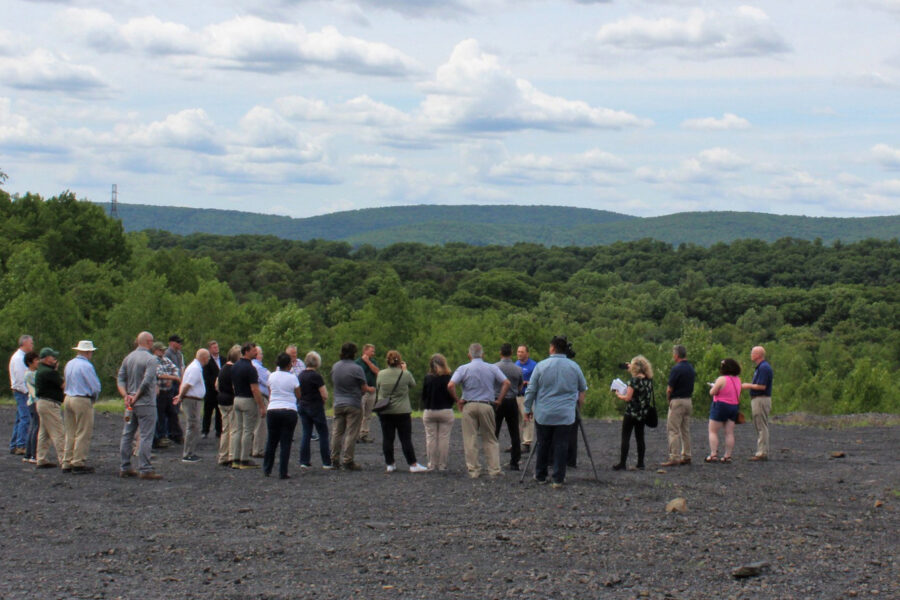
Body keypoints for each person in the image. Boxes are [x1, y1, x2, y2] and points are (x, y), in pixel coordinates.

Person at [523, 336, 587, 488]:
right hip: (565, 413)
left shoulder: (541, 366)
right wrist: (578, 405)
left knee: (543, 443)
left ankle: (540, 475)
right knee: (561, 445)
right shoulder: (574, 367)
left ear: (552, 348)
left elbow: (531, 389)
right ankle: (558, 478)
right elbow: (582, 388)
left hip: (544, 412)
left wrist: (527, 408)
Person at [449, 343, 510, 479]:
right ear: (482, 354)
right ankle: (494, 469)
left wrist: (458, 400)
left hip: (469, 405)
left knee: (470, 438)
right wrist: (499, 399)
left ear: (469, 355)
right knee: (490, 438)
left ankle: (474, 470)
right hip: (486, 404)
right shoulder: (492, 367)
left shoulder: (463, 368)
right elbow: (506, 383)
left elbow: (451, 384)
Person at [117, 331, 162, 480]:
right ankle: (145, 468)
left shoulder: (128, 358)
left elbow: (121, 378)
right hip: (146, 402)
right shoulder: (151, 359)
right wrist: (136, 396)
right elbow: (147, 380)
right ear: (149, 342)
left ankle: (125, 466)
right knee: (145, 435)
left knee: (127, 433)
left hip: (130, 403)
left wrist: (126, 395)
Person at [376, 350, 427, 474]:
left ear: (387, 361)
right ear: (400, 361)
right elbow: (413, 384)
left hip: (385, 410)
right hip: (402, 410)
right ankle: (413, 464)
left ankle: (390, 464)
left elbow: (378, 387)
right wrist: (404, 370)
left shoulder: (381, 374)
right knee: (405, 438)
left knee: (387, 438)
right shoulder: (405, 374)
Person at [330, 342, 372, 470]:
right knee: (351, 432)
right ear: (354, 353)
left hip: (338, 403)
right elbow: (363, 387)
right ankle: (348, 460)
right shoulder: (357, 368)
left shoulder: (335, 366)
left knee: (337, 432)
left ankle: (334, 459)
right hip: (353, 403)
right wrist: (369, 389)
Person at [62, 341, 102, 473]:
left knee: (70, 431)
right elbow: (95, 386)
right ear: (88, 352)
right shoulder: (86, 366)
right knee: (83, 431)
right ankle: (78, 462)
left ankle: (67, 461)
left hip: (68, 397)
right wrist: (94, 399)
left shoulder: (69, 363)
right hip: (81, 398)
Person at [612, 355, 655, 471]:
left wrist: (618, 395)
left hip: (631, 413)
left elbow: (628, 397)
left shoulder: (634, 381)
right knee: (640, 437)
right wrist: (630, 367)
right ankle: (641, 463)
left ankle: (622, 462)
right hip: (642, 413)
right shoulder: (648, 381)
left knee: (625, 437)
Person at [263, 352, 302, 479]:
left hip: (273, 409)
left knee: (272, 441)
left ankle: (267, 468)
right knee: (286, 441)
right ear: (288, 364)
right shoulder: (292, 378)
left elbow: (270, 391)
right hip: (288, 409)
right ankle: (283, 471)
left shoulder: (272, 376)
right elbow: (298, 394)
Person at [230, 342, 266, 469]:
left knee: (238, 430)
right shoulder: (251, 369)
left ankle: (235, 458)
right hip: (247, 400)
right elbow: (255, 389)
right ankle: (244, 459)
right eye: (253, 351)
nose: (255, 353)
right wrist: (261, 406)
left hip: (237, 399)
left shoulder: (235, 366)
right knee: (247, 430)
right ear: (246, 352)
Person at [661, 344, 696, 467]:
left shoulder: (676, 369)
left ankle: (674, 456)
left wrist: (668, 399)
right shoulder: (691, 368)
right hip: (688, 400)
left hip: (678, 401)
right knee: (685, 430)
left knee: (673, 430)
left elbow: (670, 388)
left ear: (676, 355)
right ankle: (687, 455)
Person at [298, 351, 333, 470]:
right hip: (315, 406)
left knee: (306, 433)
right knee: (323, 433)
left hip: (303, 405)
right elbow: (324, 394)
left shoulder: (301, 375)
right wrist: (322, 402)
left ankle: (304, 461)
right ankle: (326, 462)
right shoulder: (316, 376)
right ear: (317, 363)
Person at [421, 353, 455, 472]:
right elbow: (452, 394)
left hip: (430, 410)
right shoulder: (448, 377)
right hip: (445, 410)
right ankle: (442, 465)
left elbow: (423, 395)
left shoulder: (427, 378)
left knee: (431, 438)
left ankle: (431, 464)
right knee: (444, 438)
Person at [176, 348, 210, 462]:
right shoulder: (195, 368)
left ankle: (190, 452)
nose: (208, 360)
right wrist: (181, 396)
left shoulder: (195, 367)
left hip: (193, 400)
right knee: (192, 425)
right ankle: (188, 453)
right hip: (192, 400)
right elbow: (187, 385)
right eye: (208, 357)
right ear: (204, 358)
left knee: (194, 425)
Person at [33, 347, 65, 470]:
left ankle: (41, 458)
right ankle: (64, 459)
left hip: (42, 403)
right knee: (58, 432)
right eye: (52, 357)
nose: (54, 359)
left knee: (44, 433)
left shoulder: (41, 370)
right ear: (46, 358)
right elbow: (63, 385)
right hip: (50, 404)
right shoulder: (49, 372)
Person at [706, 358, 742, 463]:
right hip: (733, 406)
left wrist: (713, 387)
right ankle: (727, 456)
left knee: (713, 431)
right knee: (729, 432)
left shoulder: (722, 379)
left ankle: (713, 454)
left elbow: (712, 392)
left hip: (720, 405)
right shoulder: (738, 380)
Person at [494, 343, 523, 471]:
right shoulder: (517, 369)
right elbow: (520, 386)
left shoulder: (494, 367)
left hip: (497, 400)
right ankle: (515, 461)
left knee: (494, 431)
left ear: (500, 353)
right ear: (511, 353)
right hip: (512, 400)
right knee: (514, 431)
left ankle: (493, 460)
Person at [743, 346, 773, 462]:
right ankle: (761, 450)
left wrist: (748, 385)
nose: (751, 354)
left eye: (753, 352)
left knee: (761, 425)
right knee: (759, 424)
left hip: (761, 399)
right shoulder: (760, 367)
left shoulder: (764, 368)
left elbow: (762, 386)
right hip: (758, 399)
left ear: (758, 355)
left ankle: (762, 452)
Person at [215, 344, 241, 467]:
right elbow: (235, 387)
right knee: (234, 429)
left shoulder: (223, 368)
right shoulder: (234, 370)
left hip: (221, 399)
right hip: (231, 400)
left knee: (225, 429)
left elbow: (216, 384)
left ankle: (222, 455)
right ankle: (232, 455)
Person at [8, 335, 34, 455]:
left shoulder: (20, 357)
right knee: (25, 418)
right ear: (24, 344)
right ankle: (21, 445)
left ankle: (14, 444)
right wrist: (28, 392)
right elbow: (20, 378)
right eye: (31, 343)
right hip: (21, 391)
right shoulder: (19, 358)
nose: (32, 345)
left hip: (20, 391)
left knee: (20, 418)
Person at [154, 340, 182, 448]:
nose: (162, 351)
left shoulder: (165, 360)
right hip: (159, 392)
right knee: (160, 416)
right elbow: (159, 374)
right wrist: (173, 377)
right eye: (160, 350)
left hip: (168, 391)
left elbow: (175, 369)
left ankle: (172, 435)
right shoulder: (153, 361)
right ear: (155, 350)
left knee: (172, 413)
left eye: (163, 350)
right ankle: (161, 437)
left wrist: (171, 378)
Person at [515, 345, 537, 453]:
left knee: (528, 419)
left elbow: (537, 381)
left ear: (527, 353)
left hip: (527, 395)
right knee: (518, 419)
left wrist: (526, 383)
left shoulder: (533, 365)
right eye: (518, 352)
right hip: (516, 395)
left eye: (522, 352)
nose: (519, 354)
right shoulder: (516, 364)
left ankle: (527, 442)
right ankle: (516, 442)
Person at [356, 343, 379, 443]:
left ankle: (364, 434)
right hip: (361, 392)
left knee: (368, 414)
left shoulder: (373, 361)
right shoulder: (358, 362)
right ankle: (355, 435)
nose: (373, 353)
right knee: (359, 414)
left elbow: (377, 372)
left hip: (372, 391)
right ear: (365, 351)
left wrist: (368, 362)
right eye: (371, 351)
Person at [250, 346, 271, 458]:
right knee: (260, 423)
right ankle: (258, 449)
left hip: (251, 397)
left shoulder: (250, 365)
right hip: (261, 396)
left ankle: (250, 447)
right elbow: (267, 381)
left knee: (252, 424)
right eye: (260, 354)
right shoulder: (258, 367)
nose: (262, 356)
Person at [201, 340, 223, 439]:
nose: (216, 349)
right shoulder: (207, 361)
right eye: (214, 347)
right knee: (208, 412)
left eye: (217, 346)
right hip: (210, 391)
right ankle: (205, 430)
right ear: (209, 349)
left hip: (221, 391)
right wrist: (214, 384)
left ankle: (218, 430)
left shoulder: (223, 359)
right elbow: (206, 376)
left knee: (219, 412)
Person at [22, 351, 40, 464]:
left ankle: (28, 454)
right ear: (30, 362)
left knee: (33, 427)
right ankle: (33, 454)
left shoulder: (32, 373)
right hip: (35, 402)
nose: (38, 362)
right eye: (36, 360)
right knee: (35, 428)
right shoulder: (30, 374)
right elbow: (35, 389)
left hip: (32, 402)